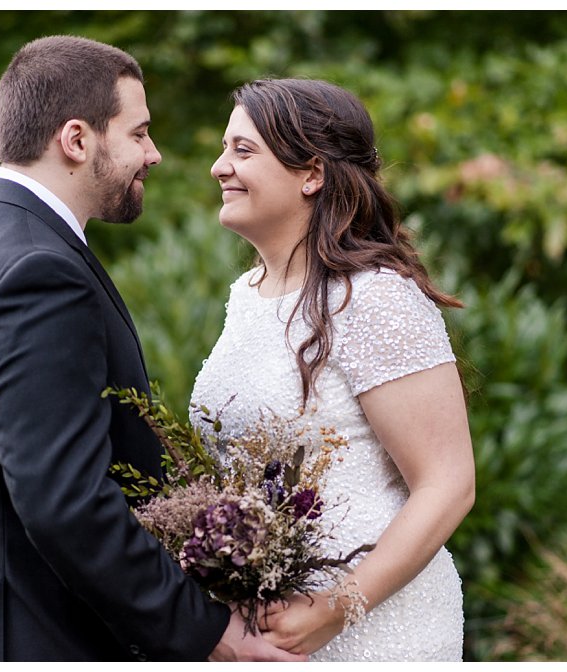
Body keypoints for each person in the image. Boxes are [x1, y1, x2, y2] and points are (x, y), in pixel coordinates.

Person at [0, 36, 304, 662]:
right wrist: (206, 628)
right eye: (139, 134)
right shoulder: (37, 273)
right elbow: (67, 504)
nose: (155, 154)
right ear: (76, 139)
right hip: (42, 639)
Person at [191, 78, 476, 661]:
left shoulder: (373, 297)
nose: (220, 167)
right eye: (224, 149)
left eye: (243, 151)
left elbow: (448, 484)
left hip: (374, 629)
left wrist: (333, 609)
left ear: (312, 173)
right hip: (267, 631)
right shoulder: (245, 296)